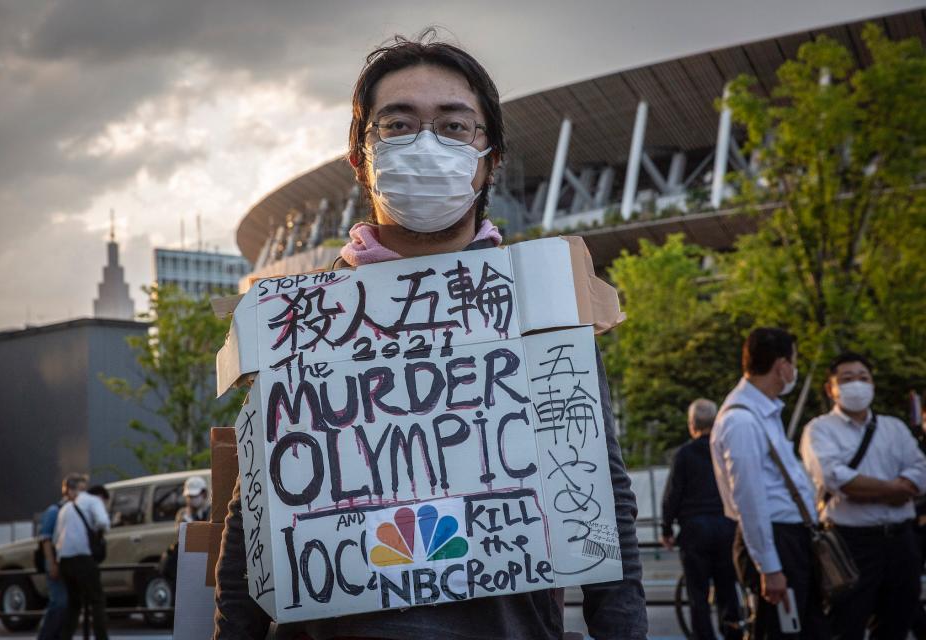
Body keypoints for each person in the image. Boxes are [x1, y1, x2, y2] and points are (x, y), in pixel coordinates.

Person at [213, 31, 647, 640]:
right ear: (360, 158)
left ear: (489, 158)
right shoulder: (298, 318)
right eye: (397, 125)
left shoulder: (541, 303)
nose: (426, 143)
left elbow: (599, 486)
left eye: (454, 126)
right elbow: (252, 515)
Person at [710, 327, 829, 639]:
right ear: (781, 366)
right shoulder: (742, 421)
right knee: (779, 632)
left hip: (786, 539)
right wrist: (770, 567)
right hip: (776, 541)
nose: (795, 369)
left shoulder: (760, 413)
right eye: (794, 361)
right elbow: (749, 499)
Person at [800, 352, 926, 640]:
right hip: (850, 543)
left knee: (898, 617)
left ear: (873, 385)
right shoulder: (819, 430)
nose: (856, 384)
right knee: (846, 622)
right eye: (846, 379)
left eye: (863, 378)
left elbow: (920, 470)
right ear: (830, 388)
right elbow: (837, 479)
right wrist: (896, 489)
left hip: (901, 541)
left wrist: (879, 489)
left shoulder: (894, 428)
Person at [661, 399, 742, 640]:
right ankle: (733, 633)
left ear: (691, 424)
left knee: (698, 593)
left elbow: (673, 493)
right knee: (728, 589)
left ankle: (704, 636)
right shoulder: (724, 449)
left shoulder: (684, 454)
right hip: (727, 525)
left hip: (695, 528)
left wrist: (666, 528)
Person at [53, 474, 111, 640]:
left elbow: (56, 538)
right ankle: (101, 637)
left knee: (74, 604)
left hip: (64, 561)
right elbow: (103, 522)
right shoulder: (92, 501)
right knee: (97, 600)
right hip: (83, 559)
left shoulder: (64, 509)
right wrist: (98, 534)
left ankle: (65, 637)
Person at [36, 475, 78, 640]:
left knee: (65, 605)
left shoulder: (72, 510)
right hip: (55, 563)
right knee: (59, 603)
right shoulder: (55, 511)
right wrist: (51, 563)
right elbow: (45, 539)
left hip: (67, 564)